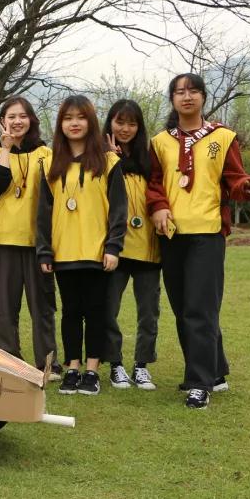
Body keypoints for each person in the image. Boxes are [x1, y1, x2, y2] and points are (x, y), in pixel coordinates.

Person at [147, 73, 250, 409]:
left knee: (200, 308)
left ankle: (199, 383)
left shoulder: (223, 137)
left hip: (208, 233)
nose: (187, 97)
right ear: (172, 99)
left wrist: (248, 186)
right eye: (180, 92)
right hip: (172, 234)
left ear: (203, 97)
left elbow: (235, 178)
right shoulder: (160, 142)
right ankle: (217, 371)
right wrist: (158, 206)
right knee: (184, 308)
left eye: (193, 91)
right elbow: (153, 183)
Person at [36, 95, 126, 396]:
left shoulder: (109, 162)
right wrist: (45, 250)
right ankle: (73, 367)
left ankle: (92, 370)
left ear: (91, 122)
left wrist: (113, 247)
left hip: (97, 253)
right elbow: (43, 212)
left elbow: (118, 210)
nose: (74, 123)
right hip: (64, 252)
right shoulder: (50, 164)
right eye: (68, 118)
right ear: (60, 124)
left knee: (96, 312)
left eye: (81, 117)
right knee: (71, 312)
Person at [0, 97, 59, 380]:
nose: (17, 121)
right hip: (4, 242)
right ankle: (9, 360)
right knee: (4, 307)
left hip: (38, 243)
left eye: (22, 116)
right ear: (2, 121)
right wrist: (6, 149)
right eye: (11, 117)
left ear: (31, 120)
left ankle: (48, 364)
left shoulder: (46, 154)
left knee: (43, 307)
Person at [101, 99, 161, 390]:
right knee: (108, 309)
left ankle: (141, 365)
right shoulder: (99, 157)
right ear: (110, 123)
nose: (125, 129)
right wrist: (109, 159)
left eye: (132, 123)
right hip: (116, 248)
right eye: (120, 122)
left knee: (149, 312)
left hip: (148, 248)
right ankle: (115, 364)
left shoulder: (149, 159)